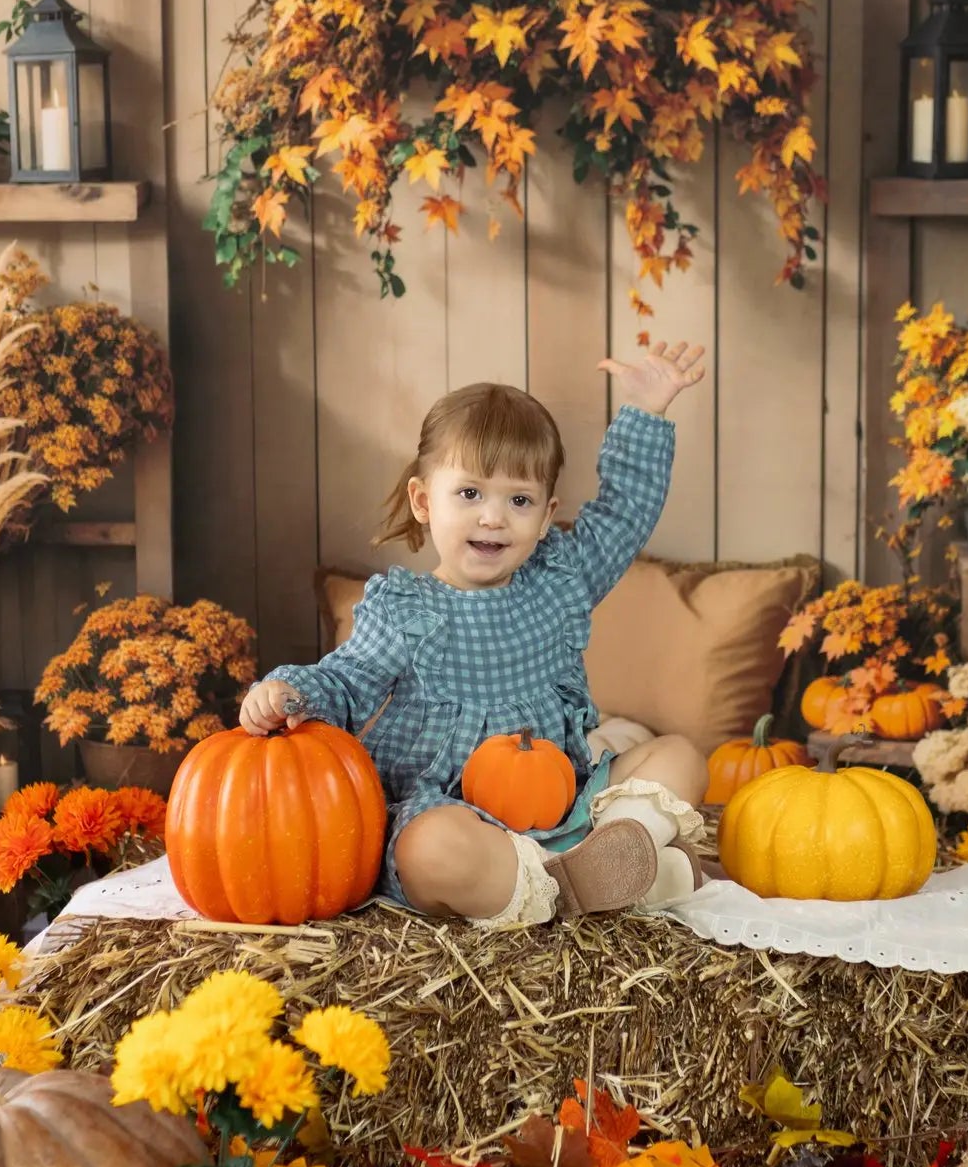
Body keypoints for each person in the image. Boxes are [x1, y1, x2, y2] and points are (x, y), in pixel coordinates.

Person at [241, 343, 712, 929]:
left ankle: (607, 857)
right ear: (423, 500)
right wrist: (290, 694)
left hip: (567, 808)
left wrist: (646, 409)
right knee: (427, 850)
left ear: (545, 517)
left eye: (519, 500)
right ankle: (570, 889)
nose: (493, 517)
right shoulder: (406, 610)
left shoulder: (560, 579)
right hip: (455, 817)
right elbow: (345, 682)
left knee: (681, 757)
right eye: (470, 493)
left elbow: (622, 516)